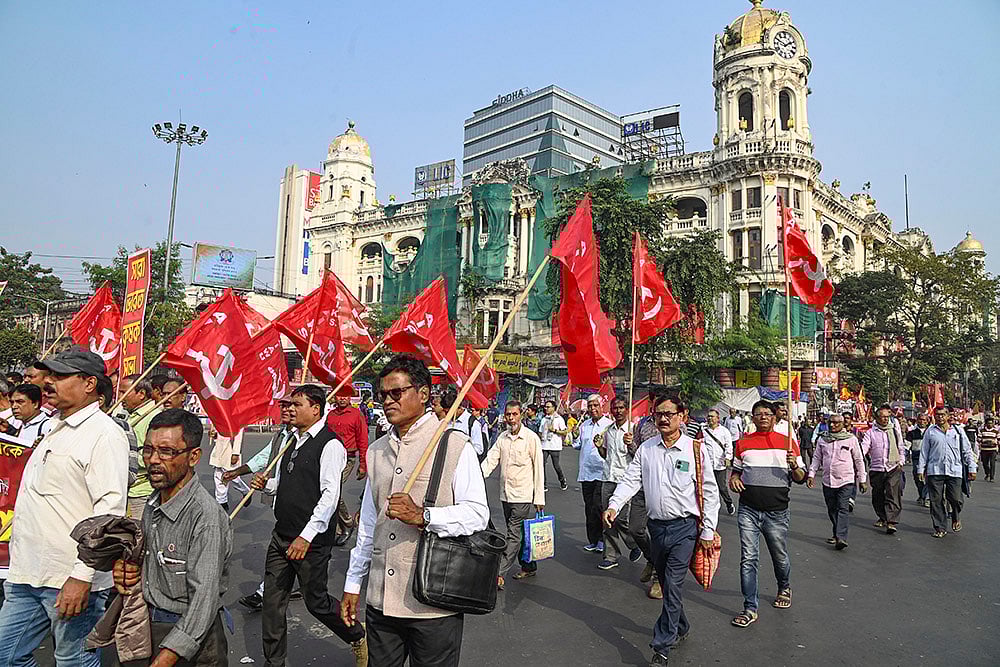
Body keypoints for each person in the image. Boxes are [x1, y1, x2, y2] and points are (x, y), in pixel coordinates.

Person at [341, 355, 489, 666]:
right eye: (383, 394)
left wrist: (425, 516)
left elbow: (477, 513)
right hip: (381, 600)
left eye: (397, 392)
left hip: (433, 600)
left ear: (423, 394)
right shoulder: (377, 450)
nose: (388, 401)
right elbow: (369, 523)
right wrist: (353, 584)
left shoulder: (454, 445)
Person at [0, 347, 129, 667]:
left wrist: (82, 577)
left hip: (68, 577)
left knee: (73, 660)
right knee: (7, 654)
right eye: (50, 375)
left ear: (89, 384)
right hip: (26, 574)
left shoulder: (104, 434)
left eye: (60, 376)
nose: (49, 382)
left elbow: (109, 512)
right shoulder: (56, 427)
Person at [250, 385, 367, 666]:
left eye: (297, 404)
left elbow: (330, 496)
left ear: (316, 409)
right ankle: (274, 661)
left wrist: (306, 536)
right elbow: (288, 483)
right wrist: (267, 486)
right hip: (282, 536)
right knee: (273, 602)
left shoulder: (330, 445)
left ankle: (356, 634)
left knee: (316, 603)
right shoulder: (291, 441)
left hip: (310, 542)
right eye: (289, 404)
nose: (290, 409)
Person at [603, 393, 719, 667]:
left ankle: (661, 646)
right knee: (667, 584)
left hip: (685, 529)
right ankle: (681, 625)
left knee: (674, 582)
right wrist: (614, 505)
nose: (664, 418)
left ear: (683, 417)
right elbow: (631, 480)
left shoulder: (695, 450)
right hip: (657, 527)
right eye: (659, 414)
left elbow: (710, 492)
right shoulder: (647, 450)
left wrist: (707, 530)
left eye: (669, 414)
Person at [110, 409, 232, 666]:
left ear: (193, 457)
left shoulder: (206, 517)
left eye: (166, 452)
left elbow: (204, 598)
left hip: (191, 637)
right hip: (148, 624)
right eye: (148, 450)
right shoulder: (154, 503)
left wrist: (169, 655)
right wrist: (129, 570)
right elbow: (151, 561)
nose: (153, 460)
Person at [729, 400, 805, 628]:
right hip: (748, 510)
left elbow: (800, 477)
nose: (762, 417)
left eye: (767, 414)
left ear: (775, 417)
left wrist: (794, 465)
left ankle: (784, 586)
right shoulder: (743, 444)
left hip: (777, 512)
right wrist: (734, 480)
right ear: (752, 418)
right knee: (748, 558)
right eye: (758, 414)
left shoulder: (788, 443)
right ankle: (749, 607)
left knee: (778, 555)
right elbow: (736, 471)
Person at [224, 398, 296, 612]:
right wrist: (238, 472)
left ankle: (266, 592)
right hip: (281, 498)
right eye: (282, 405)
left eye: (291, 405)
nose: (284, 409)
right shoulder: (282, 434)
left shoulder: (306, 439)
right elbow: (264, 457)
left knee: (285, 549)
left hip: (300, 504)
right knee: (289, 550)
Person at [481, 400, 544, 588]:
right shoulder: (502, 438)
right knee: (521, 534)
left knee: (513, 534)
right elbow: (491, 460)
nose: (511, 418)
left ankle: (499, 573)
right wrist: (474, 478)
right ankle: (529, 565)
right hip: (505, 495)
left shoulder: (531, 438)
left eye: (514, 414)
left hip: (523, 495)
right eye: (508, 415)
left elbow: (539, 469)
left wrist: (539, 498)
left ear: (521, 415)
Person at [596, 397, 651, 572]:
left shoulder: (633, 430)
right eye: (615, 408)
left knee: (621, 519)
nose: (618, 410)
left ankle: (634, 543)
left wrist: (631, 444)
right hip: (608, 477)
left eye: (621, 407)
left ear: (626, 409)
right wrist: (598, 446)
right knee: (607, 519)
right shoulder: (608, 430)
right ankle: (610, 556)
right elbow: (606, 455)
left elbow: (640, 457)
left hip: (626, 481)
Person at [807, 415, 867, 549]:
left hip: (846, 480)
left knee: (843, 507)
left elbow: (858, 460)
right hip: (828, 480)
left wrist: (862, 479)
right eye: (831, 423)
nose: (833, 425)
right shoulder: (823, 439)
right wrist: (811, 474)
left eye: (836, 423)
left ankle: (841, 537)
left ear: (843, 424)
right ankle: (836, 532)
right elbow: (816, 458)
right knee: (832, 509)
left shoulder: (851, 439)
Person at [917, 406, 977, 538]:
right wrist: (921, 469)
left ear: (948, 416)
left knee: (956, 499)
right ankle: (940, 527)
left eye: (943, 415)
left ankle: (955, 515)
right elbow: (924, 452)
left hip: (955, 470)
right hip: (935, 470)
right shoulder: (930, 432)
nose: (940, 417)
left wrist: (972, 468)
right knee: (936, 500)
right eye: (937, 415)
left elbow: (967, 451)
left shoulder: (958, 431)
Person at [326, 392, 369, 547]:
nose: (342, 398)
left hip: (348, 458)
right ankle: (337, 529)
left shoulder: (356, 415)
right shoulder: (330, 415)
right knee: (327, 491)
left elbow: (363, 439)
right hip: (330, 457)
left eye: (345, 395)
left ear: (350, 398)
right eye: (339, 395)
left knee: (334, 490)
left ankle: (348, 523)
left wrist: (363, 464)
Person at [573, 394, 613, 553]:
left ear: (602, 406)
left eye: (596, 405)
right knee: (589, 508)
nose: (593, 408)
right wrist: (575, 435)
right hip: (586, 472)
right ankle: (593, 540)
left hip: (602, 472)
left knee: (599, 507)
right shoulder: (584, 425)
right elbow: (578, 445)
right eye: (590, 406)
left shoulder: (609, 426)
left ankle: (603, 540)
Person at [118, 374, 161, 519]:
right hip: (128, 490)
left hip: (142, 491)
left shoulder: (153, 417)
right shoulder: (129, 416)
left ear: (141, 394)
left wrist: (122, 458)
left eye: (124, 393)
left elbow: (155, 457)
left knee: (140, 537)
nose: (120, 398)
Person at [860, 405, 907, 535]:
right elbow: (864, 448)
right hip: (877, 468)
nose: (886, 419)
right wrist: (857, 459)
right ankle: (882, 516)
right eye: (883, 417)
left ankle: (891, 522)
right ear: (877, 418)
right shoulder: (871, 433)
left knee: (893, 493)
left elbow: (901, 447)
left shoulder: (894, 431)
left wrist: (901, 461)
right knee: (878, 495)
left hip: (893, 467)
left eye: (888, 417)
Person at [210, 427, 250, 513]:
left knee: (233, 477)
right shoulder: (220, 416)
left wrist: (235, 453)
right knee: (219, 476)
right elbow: (218, 434)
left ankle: (246, 491)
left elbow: (239, 435)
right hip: (219, 450)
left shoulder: (236, 416)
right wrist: (214, 435)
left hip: (230, 451)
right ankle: (222, 502)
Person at [704, 409, 735, 515]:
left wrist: (728, 458)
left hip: (720, 464)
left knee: (721, 487)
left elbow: (728, 446)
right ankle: (712, 507)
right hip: (707, 465)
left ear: (718, 419)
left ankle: (729, 503)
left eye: (712, 416)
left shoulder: (724, 431)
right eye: (708, 416)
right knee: (708, 487)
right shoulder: (704, 431)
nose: (710, 418)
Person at [539, 400, 568, 490]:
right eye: (545, 407)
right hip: (544, 445)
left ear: (554, 408)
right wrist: (541, 435)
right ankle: (543, 484)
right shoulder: (544, 419)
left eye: (548, 407)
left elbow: (564, 432)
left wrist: (554, 430)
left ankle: (562, 480)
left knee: (556, 465)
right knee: (541, 464)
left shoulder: (559, 419)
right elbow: (540, 431)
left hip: (554, 446)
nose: (546, 408)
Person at [979, 416, 998, 482]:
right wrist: (985, 441)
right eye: (988, 423)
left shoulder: (995, 431)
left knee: (992, 463)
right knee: (984, 463)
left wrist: (994, 442)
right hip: (984, 449)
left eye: (991, 423)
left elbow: (998, 440)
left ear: (993, 424)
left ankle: (992, 477)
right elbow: (978, 439)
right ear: (986, 424)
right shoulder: (982, 431)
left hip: (993, 449)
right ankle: (987, 473)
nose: (990, 424)